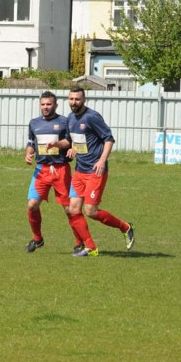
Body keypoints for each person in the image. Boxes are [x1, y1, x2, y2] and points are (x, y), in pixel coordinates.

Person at [66, 86, 134, 257]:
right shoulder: (70, 118)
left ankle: (125, 227)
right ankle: (91, 247)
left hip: (95, 171)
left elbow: (109, 139)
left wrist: (102, 160)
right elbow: (75, 140)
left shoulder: (92, 117)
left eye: (77, 99)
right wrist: (73, 149)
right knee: (73, 209)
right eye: (71, 99)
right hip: (79, 171)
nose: (74, 102)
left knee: (90, 211)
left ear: (84, 100)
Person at [24, 91, 91, 253]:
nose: (45, 107)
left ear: (55, 105)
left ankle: (79, 241)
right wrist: (28, 152)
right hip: (41, 169)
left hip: (61, 170)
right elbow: (31, 142)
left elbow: (72, 140)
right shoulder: (34, 123)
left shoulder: (64, 121)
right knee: (32, 204)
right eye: (43, 104)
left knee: (69, 208)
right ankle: (37, 238)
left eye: (49, 104)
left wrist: (64, 146)